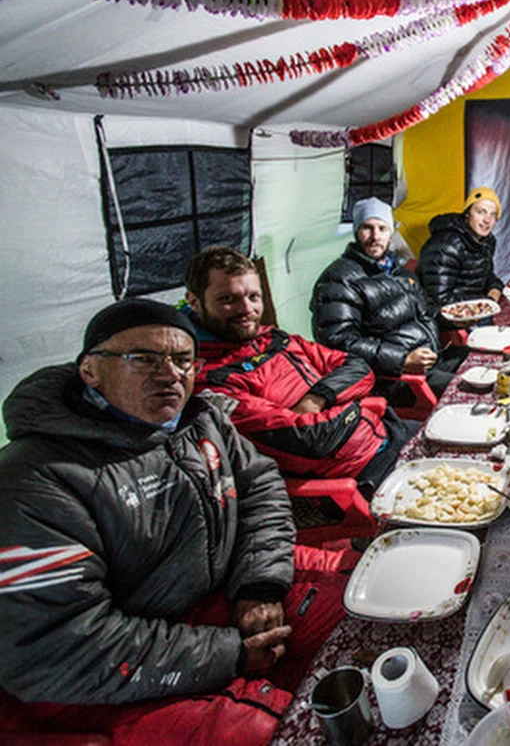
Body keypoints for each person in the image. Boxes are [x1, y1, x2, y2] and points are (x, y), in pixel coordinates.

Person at [0, 299, 350, 744]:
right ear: (90, 370)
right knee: (282, 732)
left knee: (369, 612)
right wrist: (228, 654)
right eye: (143, 358)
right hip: (107, 673)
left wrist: (260, 585)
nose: (169, 373)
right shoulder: (35, 479)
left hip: (223, 594)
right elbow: (59, 648)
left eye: (183, 359)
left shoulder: (200, 421)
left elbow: (261, 488)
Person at [185, 246, 417, 496]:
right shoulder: (211, 381)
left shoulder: (273, 339)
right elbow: (311, 438)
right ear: (194, 302)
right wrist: (354, 403)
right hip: (358, 473)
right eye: (228, 299)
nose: (247, 309)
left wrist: (317, 398)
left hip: (387, 431)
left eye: (253, 297)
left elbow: (358, 367)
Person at [311, 197, 466, 400]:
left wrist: (453, 320)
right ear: (356, 231)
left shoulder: (399, 271)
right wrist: (402, 360)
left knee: (488, 364)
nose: (375, 236)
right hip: (394, 378)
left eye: (382, 228)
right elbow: (339, 341)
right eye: (367, 228)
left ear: (390, 233)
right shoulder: (338, 280)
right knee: (471, 387)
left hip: (432, 358)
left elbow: (426, 311)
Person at [416, 186, 505, 310]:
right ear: (467, 213)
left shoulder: (486, 241)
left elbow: (483, 275)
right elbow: (439, 301)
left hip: (470, 310)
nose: (487, 220)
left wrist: (495, 288)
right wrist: (483, 302)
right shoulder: (446, 246)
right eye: (480, 212)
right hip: (441, 316)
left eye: (493, 215)